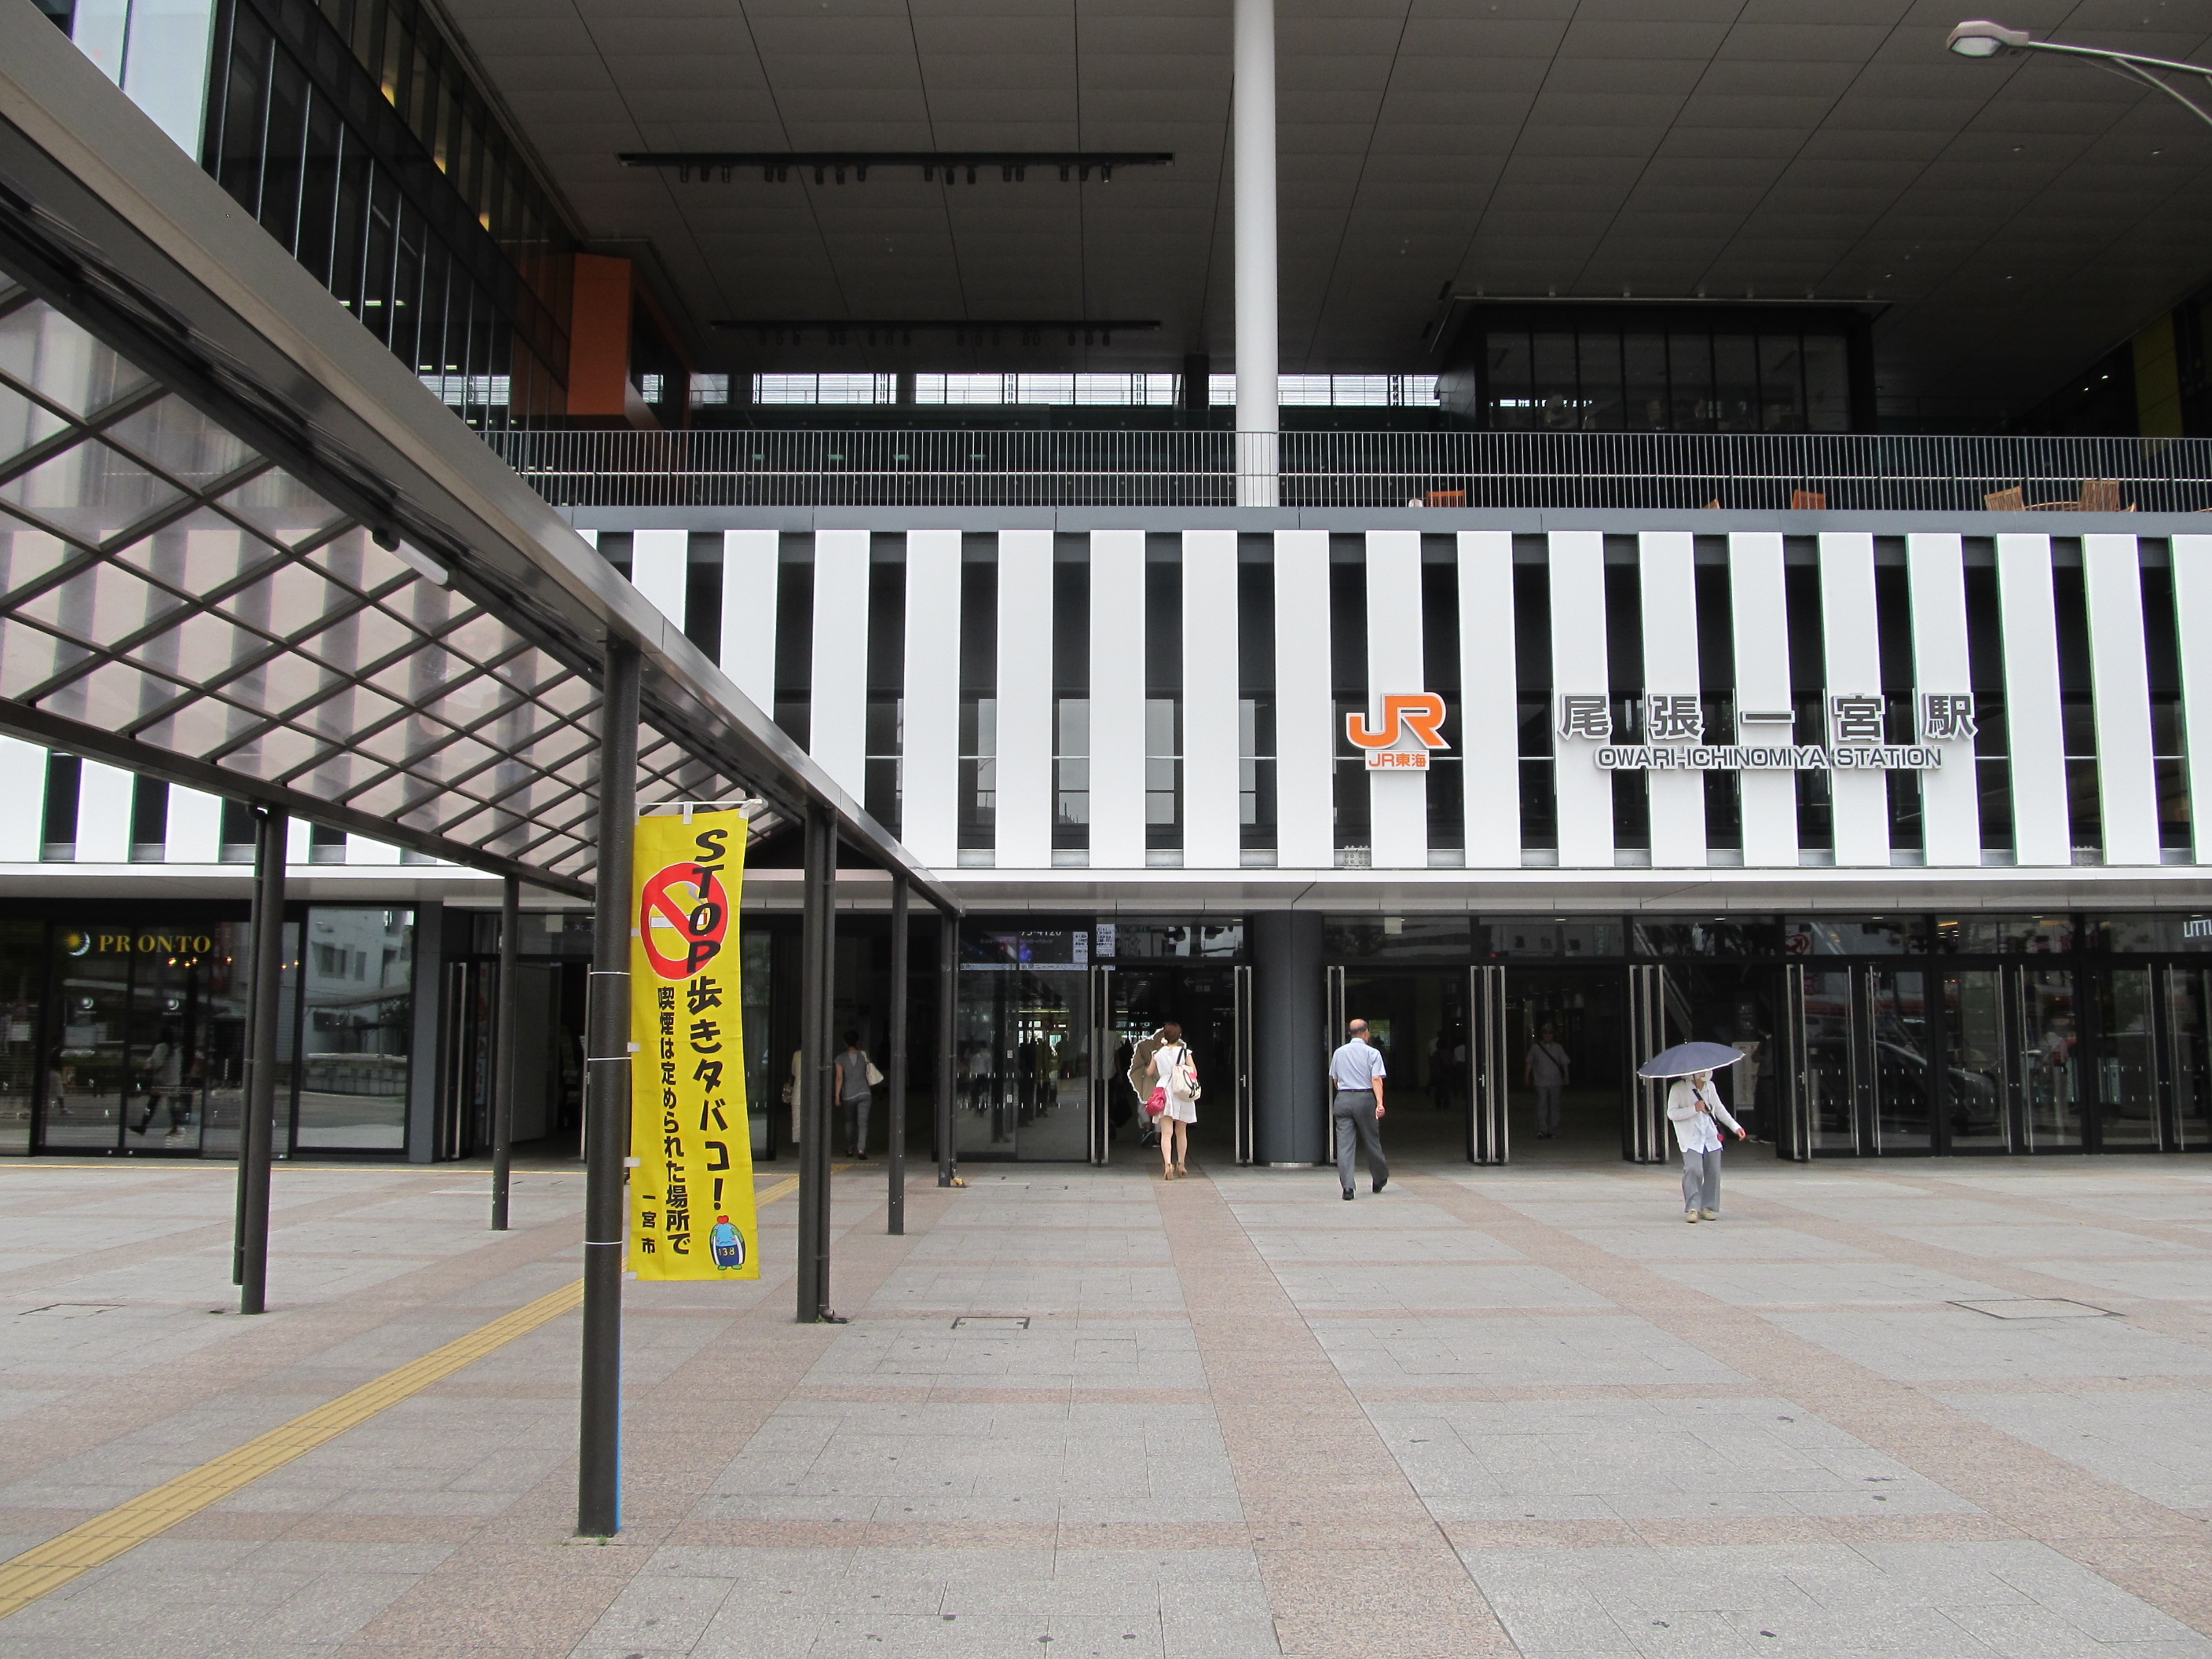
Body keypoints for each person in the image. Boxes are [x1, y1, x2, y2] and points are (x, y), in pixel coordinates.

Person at [1667, 1068, 1744, 1222]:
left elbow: (1719, 1109)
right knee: (1693, 1169)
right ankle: (1693, 1207)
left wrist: (1735, 1127)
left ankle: (1708, 1207)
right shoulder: (1678, 1089)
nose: (1705, 1073)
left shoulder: (1710, 1087)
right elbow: (1672, 1113)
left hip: (1710, 1136)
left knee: (1713, 1171)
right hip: (1691, 1138)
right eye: (1701, 1071)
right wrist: (1694, 1108)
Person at [1328, 1018, 1388, 1200]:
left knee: (1345, 1145)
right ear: (1366, 1032)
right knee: (1372, 1141)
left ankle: (1348, 1187)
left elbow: (1335, 1080)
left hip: (1344, 1098)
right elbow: (1376, 1079)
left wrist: (1346, 1092)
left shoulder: (1339, 1052)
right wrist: (1380, 1103)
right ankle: (1379, 1177)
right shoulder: (1373, 1053)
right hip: (1364, 1098)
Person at [1141, 1020, 1197, 1179]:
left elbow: (1150, 1072)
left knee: (1166, 1133)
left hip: (1164, 1090)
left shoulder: (1157, 1053)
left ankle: (1167, 1165)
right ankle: (1181, 1164)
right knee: (1181, 1131)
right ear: (1179, 1036)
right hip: (1182, 1091)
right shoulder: (1185, 1052)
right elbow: (1194, 1072)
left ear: (1164, 1036)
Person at [833, 1030, 875, 1159]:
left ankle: (849, 1149)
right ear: (857, 1041)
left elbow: (839, 1078)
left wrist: (837, 1096)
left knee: (850, 1122)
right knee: (863, 1122)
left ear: (845, 1042)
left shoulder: (840, 1058)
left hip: (849, 1094)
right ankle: (861, 1150)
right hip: (864, 1092)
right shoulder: (864, 1055)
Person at [1525, 1023, 1571, 1140]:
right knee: (1542, 1105)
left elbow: (1564, 1062)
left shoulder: (1558, 1048)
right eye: (1545, 1032)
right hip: (1541, 1082)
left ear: (1554, 1035)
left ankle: (1552, 1130)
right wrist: (1527, 1077)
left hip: (1556, 1081)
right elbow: (1529, 1063)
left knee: (1555, 1105)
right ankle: (1542, 1129)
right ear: (1542, 1034)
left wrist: (1566, 1075)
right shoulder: (1535, 1048)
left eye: (1550, 1032)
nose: (1547, 1035)